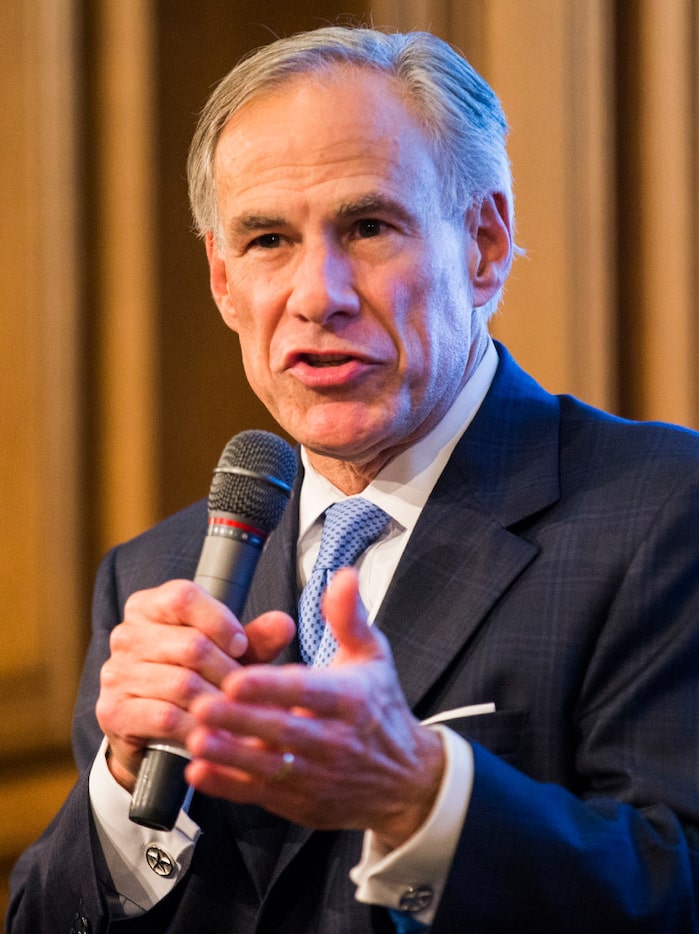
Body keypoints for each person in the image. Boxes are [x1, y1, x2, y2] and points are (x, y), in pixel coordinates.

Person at [7, 24, 699, 934]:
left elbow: (675, 890)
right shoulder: (153, 575)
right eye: (266, 241)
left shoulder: (658, 509)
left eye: (368, 226)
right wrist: (126, 784)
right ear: (222, 280)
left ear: (483, 245)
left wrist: (419, 795)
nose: (317, 294)